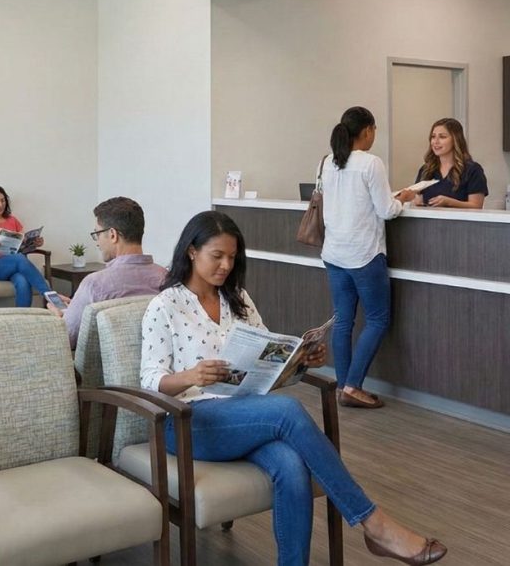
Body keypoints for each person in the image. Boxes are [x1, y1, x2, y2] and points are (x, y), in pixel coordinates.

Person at [141, 210, 447, 566]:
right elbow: (149, 381)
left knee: (291, 467)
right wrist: (192, 375)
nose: (226, 265)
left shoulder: (236, 299)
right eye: (217, 256)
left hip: (244, 416)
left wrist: (299, 361)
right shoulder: (164, 306)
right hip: (188, 423)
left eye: (232, 257)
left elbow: (264, 358)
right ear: (192, 251)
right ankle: (375, 524)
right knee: (286, 411)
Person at [321, 107, 416, 409]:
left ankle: (342, 386)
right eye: (374, 130)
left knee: (344, 321)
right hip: (364, 254)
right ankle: (352, 387)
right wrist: (402, 200)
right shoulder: (371, 163)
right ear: (366, 131)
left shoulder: (328, 161)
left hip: (334, 253)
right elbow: (386, 210)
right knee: (377, 319)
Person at [45, 196, 166, 348]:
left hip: (100, 370)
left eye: (97, 234)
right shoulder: (167, 278)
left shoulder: (95, 284)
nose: (97, 241)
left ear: (112, 235)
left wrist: (59, 317)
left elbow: (67, 339)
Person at [0, 184, 51, 308]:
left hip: (11, 265)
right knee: (19, 258)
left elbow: (23, 242)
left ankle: (22, 320)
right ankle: (50, 295)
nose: (0, 204)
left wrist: (34, 243)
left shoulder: (13, 220)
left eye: (3, 201)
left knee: (22, 281)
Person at [413, 118, 487, 209]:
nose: (435, 142)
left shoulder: (472, 170)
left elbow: (476, 206)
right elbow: (418, 200)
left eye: (442, 137)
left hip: (459, 222)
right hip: (429, 223)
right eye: (433, 137)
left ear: (456, 140)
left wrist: (449, 202)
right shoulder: (426, 170)